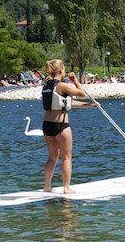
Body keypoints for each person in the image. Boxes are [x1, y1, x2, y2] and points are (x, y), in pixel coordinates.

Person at [41, 59, 97, 193]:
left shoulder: (46, 85)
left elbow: (66, 103)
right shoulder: (61, 85)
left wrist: (90, 105)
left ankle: (47, 186)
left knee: (52, 157)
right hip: (61, 125)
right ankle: (66, 188)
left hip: (47, 125)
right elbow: (82, 93)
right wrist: (75, 81)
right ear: (61, 71)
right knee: (66, 157)